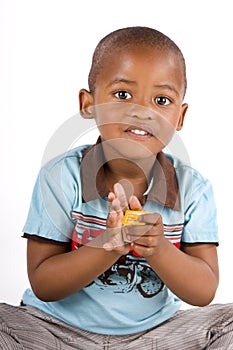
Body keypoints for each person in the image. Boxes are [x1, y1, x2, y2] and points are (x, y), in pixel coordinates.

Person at [0, 26, 232, 350]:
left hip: (155, 335)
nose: (142, 110)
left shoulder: (194, 189)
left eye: (161, 100)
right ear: (88, 104)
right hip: (55, 331)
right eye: (122, 94)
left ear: (180, 116)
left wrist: (160, 249)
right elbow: (43, 282)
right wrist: (108, 244)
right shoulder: (60, 176)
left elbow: (204, 290)